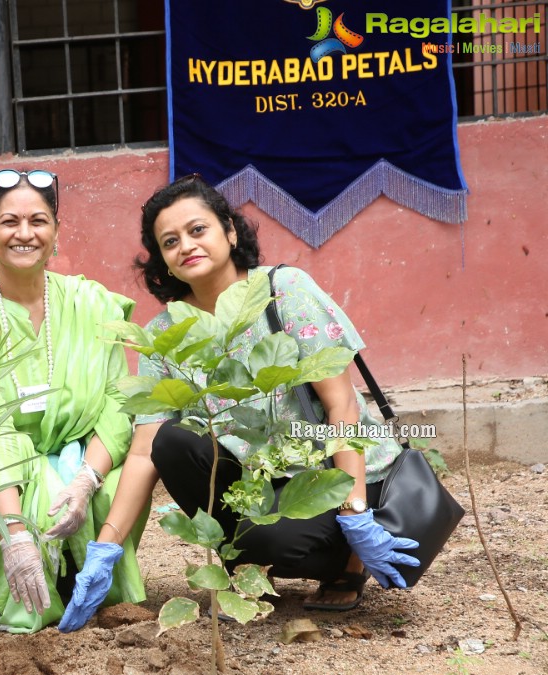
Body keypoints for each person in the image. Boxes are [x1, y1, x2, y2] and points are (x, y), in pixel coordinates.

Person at [59, 175, 417, 630]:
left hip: (329, 476)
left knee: (282, 544)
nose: (185, 245)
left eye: (197, 230)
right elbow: (146, 448)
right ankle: (252, 558)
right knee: (174, 442)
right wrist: (105, 547)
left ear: (229, 231)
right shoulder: (167, 334)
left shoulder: (284, 291)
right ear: (163, 261)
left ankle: (347, 555)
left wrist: (355, 510)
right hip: (259, 485)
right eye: (169, 241)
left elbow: (341, 406)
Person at [0, 169, 148, 634]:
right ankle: (28, 579)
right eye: (9, 221)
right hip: (0, 465)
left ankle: (91, 580)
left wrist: (86, 478)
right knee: (32, 507)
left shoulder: (90, 302)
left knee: (113, 489)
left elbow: (118, 402)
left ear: (56, 230)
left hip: (82, 454)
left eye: (39, 220)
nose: (25, 234)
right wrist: (14, 532)